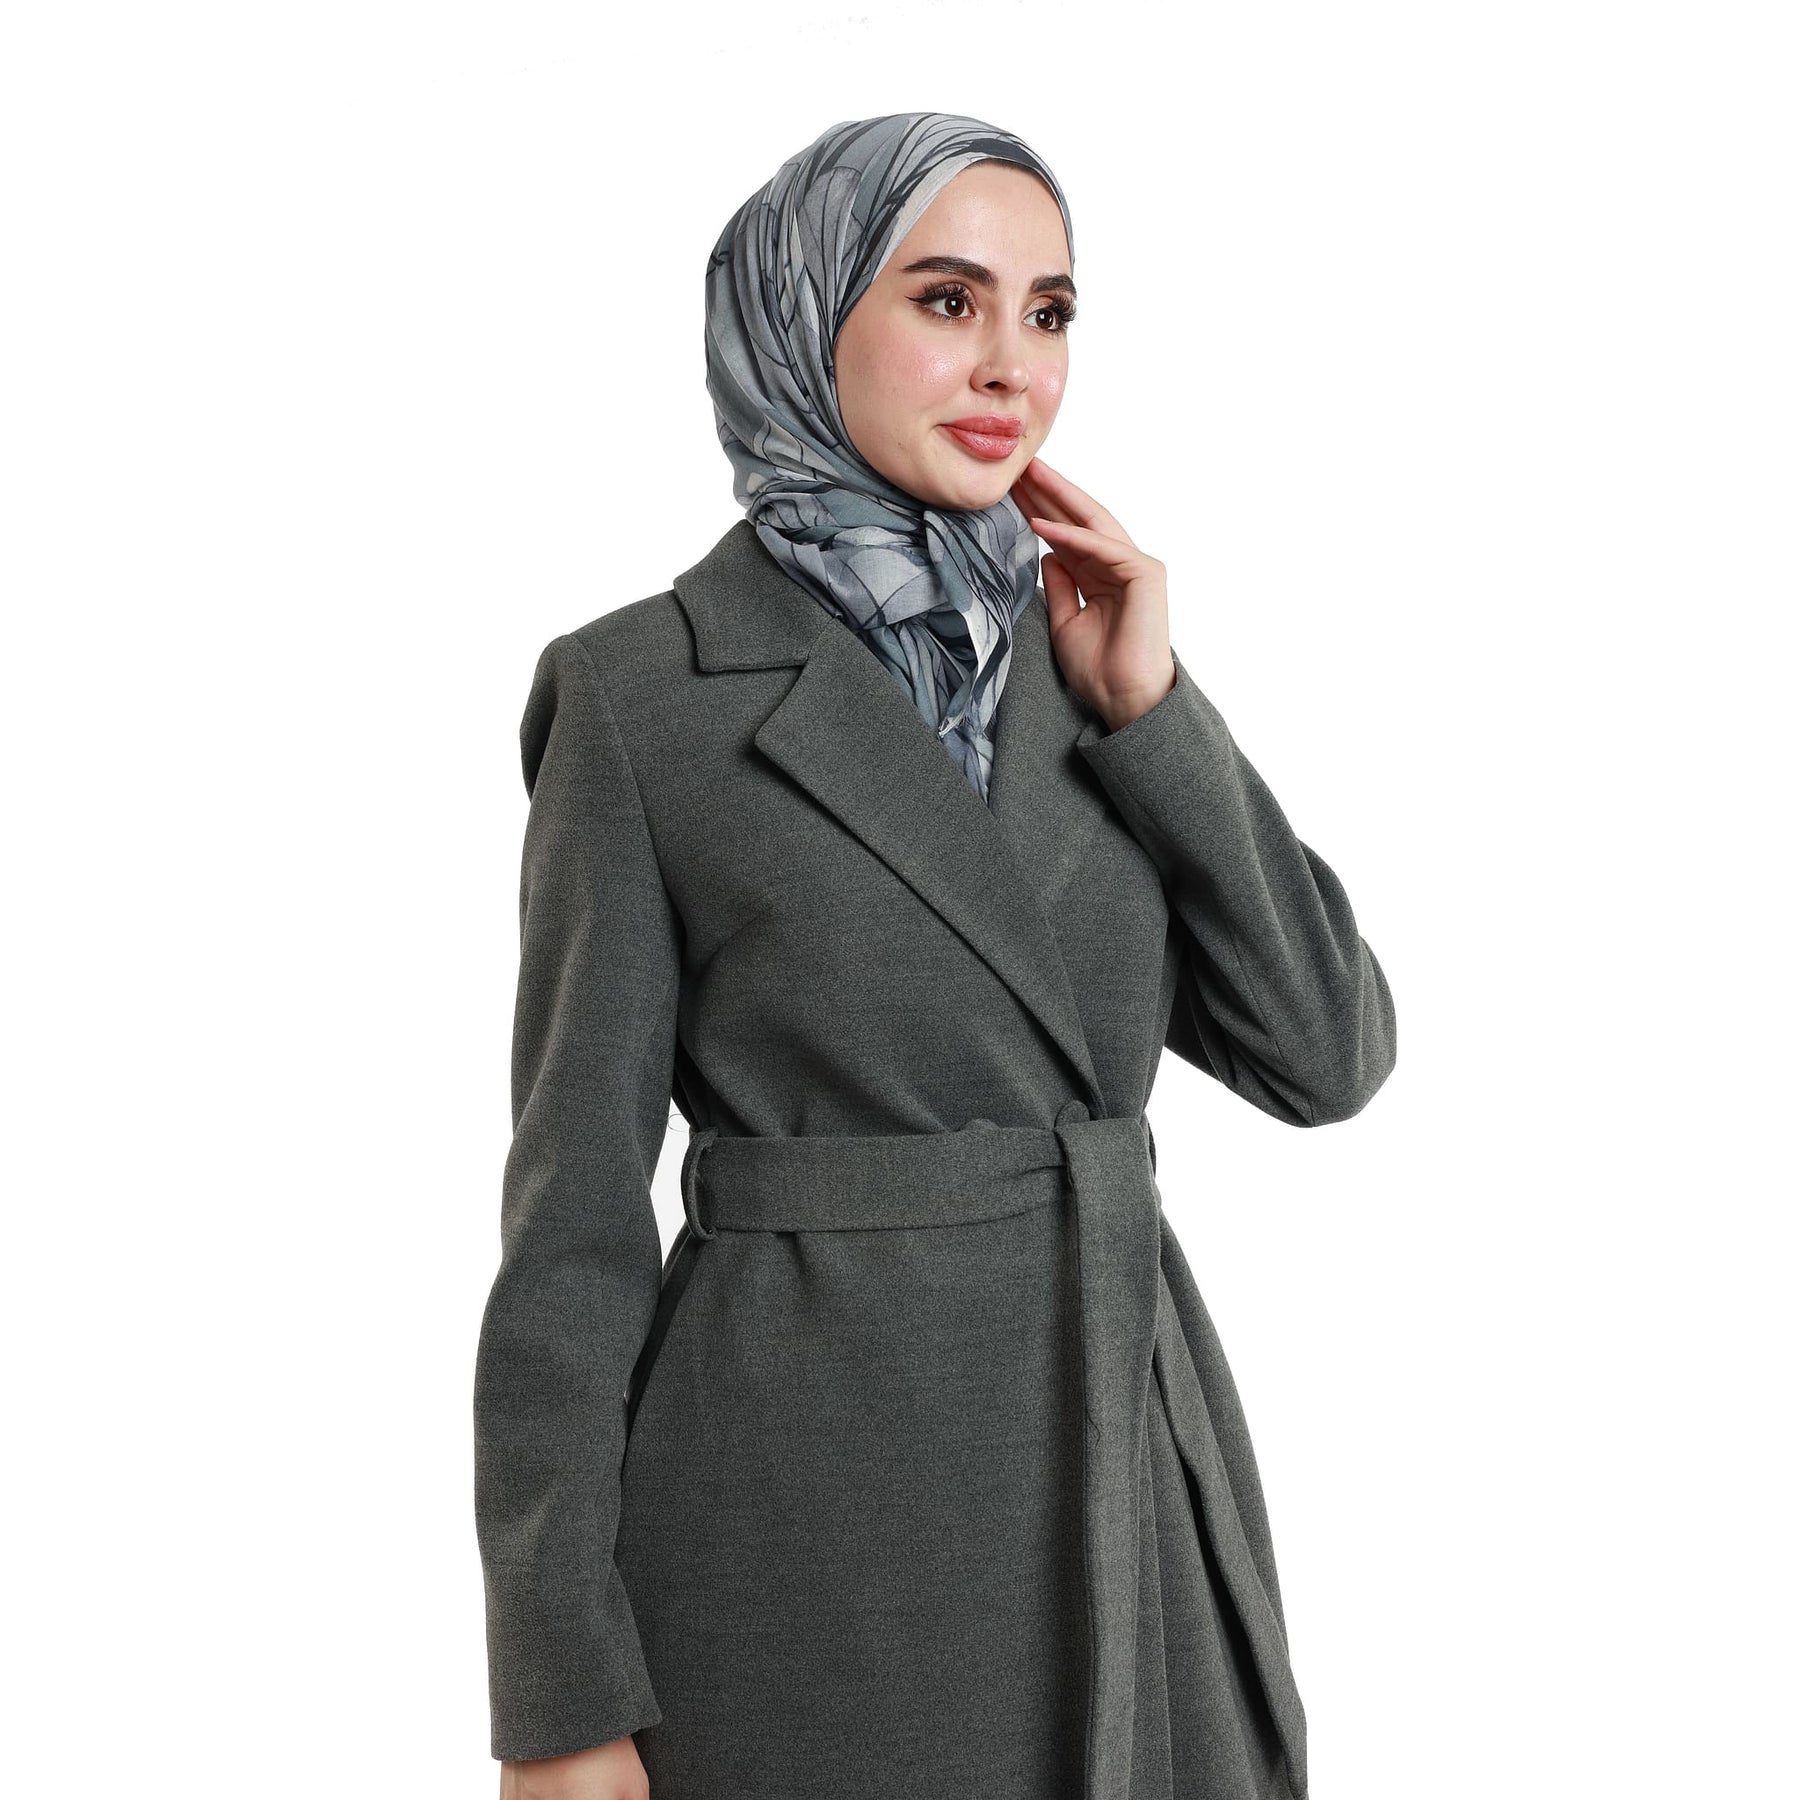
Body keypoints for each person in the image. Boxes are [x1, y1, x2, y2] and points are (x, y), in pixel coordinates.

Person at [473, 111, 1397, 1800]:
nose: (1011, 367)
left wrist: (1157, 716)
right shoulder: (644, 695)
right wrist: (559, 1696)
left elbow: (1326, 1053)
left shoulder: (1091, 665)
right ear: (806, 315)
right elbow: (572, 1230)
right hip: (798, 1529)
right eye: (949, 300)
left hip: (1124, 1481)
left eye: (1050, 312)